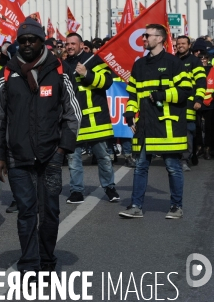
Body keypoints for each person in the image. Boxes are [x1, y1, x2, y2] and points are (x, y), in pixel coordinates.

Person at [0, 17, 81, 277]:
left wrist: (63, 149)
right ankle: (29, 264)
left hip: (51, 155)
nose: (27, 44)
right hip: (17, 157)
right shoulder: (7, 72)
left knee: (50, 212)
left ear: (42, 42)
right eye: (23, 40)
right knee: (26, 212)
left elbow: (73, 113)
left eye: (33, 40)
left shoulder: (59, 69)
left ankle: (47, 260)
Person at [119, 24, 192, 219]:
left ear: (160, 39)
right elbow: (133, 93)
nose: (143, 39)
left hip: (167, 125)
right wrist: (129, 113)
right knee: (140, 166)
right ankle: (136, 206)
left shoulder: (173, 63)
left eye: (147, 35)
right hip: (145, 125)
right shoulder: (139, 65)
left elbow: (186, 90)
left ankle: (176, 206)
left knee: (172, 167)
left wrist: (163, 95)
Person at [64, 33, 120, 204]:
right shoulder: (64, 65)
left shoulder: (94, 60)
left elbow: (107, 82)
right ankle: (76, 191)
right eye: (67, 44)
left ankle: (110, 188)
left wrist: (87, 73)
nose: (70, 47)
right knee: (73, 159)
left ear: (81, 44)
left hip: (96, 120)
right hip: (74, 120)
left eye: (73, 43)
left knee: (103, 157)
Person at [175, 35, 206, 171]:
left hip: (189, 105)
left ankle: (185, 159)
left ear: (189, 46)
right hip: (174, 104)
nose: (181, 45)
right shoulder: (172, 60)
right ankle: (179, 157)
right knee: (176, 133)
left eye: (183, 43)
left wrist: (198, 99)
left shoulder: (194, 61)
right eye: (178, 43)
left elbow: (201, 82)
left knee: (189, 132)